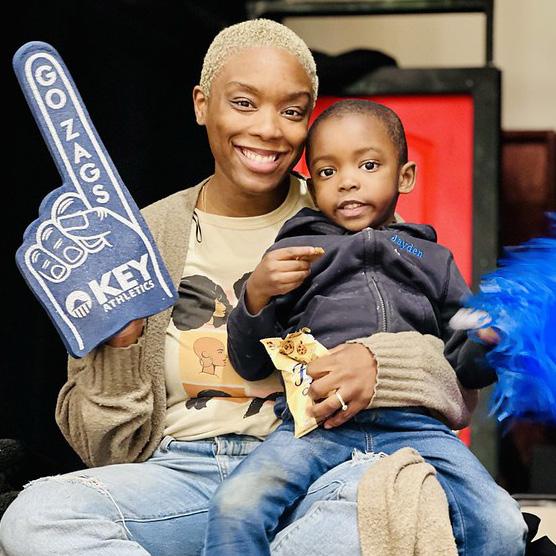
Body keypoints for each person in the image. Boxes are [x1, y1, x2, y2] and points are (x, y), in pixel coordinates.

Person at [0, 20, 526, 556]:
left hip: (325, 468)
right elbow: (108, 450)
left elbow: (456, 381)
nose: (269, 129)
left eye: (292, 111)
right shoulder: (140, 237)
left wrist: (378, 365)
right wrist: (119, 346)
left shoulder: (350, 216)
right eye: (244, 103)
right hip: (181, 475)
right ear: (202, 104)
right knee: (36, 517)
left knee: (372, 514)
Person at [203, 99, 527, 555]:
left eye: (369, 165)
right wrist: (255, 295)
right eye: (327, 171)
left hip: (419, 425)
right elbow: (250, 362)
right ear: (311, 184)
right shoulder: (297, 251)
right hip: (317, 425)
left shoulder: (432, 258)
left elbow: (464, 367)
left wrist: (488, 342)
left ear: (405, 176)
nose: (348, 181)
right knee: (235, 504)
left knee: (503, 524)